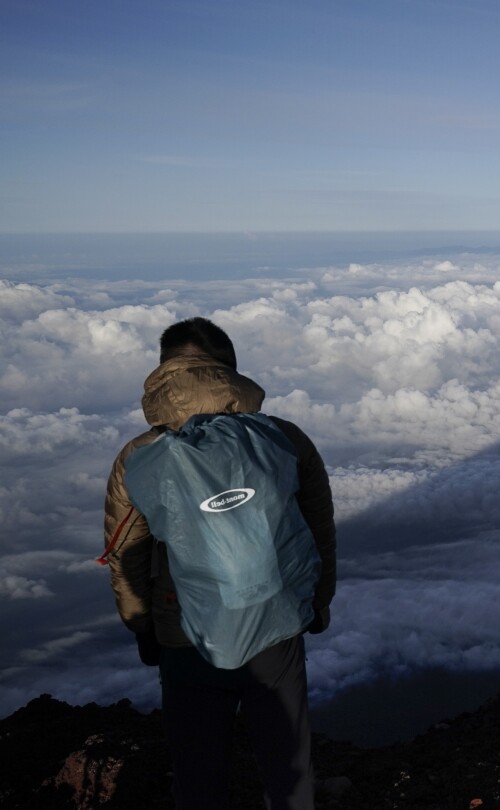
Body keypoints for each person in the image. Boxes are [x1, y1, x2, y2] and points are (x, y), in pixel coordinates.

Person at [103, 316, 337, 810]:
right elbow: (318, 528)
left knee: (198, 777)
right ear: (230, 371)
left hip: (184, 633)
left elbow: (127, 554)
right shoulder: (283, 438)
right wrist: (317, 602)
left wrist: (143, 627)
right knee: (289, 773)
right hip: (277, 624)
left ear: (165, 372)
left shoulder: (140, 456)